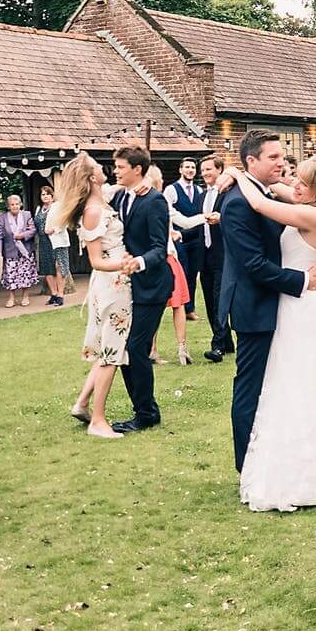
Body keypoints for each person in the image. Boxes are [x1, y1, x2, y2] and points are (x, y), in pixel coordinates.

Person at [212, 156, 316, 511]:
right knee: (289, 383)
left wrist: (238, 173)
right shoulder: (306, 203)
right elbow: (272, 188)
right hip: (294, 303)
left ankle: (311, 467)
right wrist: (236, 172)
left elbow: (259, 202)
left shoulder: (314, 215)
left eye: (302, 182)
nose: (294, 185)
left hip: (301, 307)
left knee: (303, 385)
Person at [219, 130, 316, 471]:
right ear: (252, 160)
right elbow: (252, 264)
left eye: (283, 156)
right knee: (251, 388)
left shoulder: (265, 193)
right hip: (254, 305)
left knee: (278, 385)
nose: (283, 162)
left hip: (280, 304)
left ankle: (275, 457)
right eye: (274, 157)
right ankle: (246, 465)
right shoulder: (237, 202)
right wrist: (303, 279)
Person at [52, 154, 136, 439]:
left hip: (114, 281)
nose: (106, 169)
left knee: (106, 349)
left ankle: (83, 403)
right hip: (112, 282)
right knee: (111, 353)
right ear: (91, 178)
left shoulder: (101, 200)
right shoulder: (93, 210)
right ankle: (98, 420)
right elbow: (97, 260)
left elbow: (128, 184)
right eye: (99, 168)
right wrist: (127, 263)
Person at [109, 145, 172, 431]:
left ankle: (147, 413)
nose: (116, 171)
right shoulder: (122, 196)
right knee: (125, 348)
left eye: (121, 167)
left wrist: (139, 262)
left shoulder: (155, 201)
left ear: (137, 169)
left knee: (136, 347)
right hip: (127, 284)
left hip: (153, 285)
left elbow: (160, 248)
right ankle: (141, 409)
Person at [145, 165, 196, 366]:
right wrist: (206, 217)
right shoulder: (161, 202)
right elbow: (185, 222)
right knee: (178, 305)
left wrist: (171, 234)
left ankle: (152, 349)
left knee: (155, 306)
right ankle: (182, 348)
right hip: (167, 257)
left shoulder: (140, 203)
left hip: (151, 258)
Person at [196, 153, 233, 360]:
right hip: (205, 254)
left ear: (219, 170)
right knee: (209, 300)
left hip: (223, 254)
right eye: (203, 170)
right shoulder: (202, 196)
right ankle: (226, 342)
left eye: (209, 169)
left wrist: (222, 219)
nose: (205, 173)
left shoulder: (228, 193)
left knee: (220, 300)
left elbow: (237, 218)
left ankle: (217, 346)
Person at [167, 158, 205, 323]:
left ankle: (190, 309)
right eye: (187, 167)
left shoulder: (199, 190)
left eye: (193, 167)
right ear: (180, 170)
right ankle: (181, 306)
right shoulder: (171, 190)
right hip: (179, 238)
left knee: (193, 273)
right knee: (183, 271)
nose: (190, 170)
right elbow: (167, 214)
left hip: (196, 238)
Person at [0, 192, 38, 309]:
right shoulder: (2, 218)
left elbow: (33, 230)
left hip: (25, 249)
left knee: (25, 274)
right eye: (12, 204)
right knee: (11, 274)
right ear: (8, 206)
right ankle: (11, 297)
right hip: (10, 250)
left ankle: (25, 296)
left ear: (20, 205)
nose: (15, 206)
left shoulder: (27, 215)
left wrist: (22, 235)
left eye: (17, 204)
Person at [36, 182, 69, 307]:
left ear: (52, 196)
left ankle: (61, 295)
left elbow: (64, 221)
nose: (45, 196)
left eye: (48, 194)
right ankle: (54, 294)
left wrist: (54, 229)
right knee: (47, 268)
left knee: (59, 267)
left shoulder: (58, 207)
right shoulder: (39, 209)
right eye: (43, 194)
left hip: (57, 240)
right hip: (44, 241)